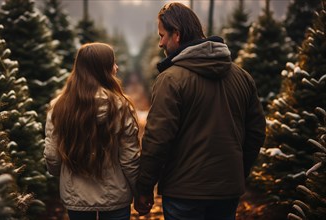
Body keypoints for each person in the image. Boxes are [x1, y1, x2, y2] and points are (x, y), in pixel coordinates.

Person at [134, 2, 266, 220]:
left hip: (184, 193)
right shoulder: (242, 76)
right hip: (227, 191)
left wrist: (144, 186)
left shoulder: (170, 79)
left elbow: (157, 139)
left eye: (162, 35)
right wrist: (237, 173)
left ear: (176, 34)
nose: (160, 43)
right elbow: (256, 132)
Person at [44, 42, 140, 220]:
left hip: (76, 197)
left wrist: (64, 174)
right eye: (113, 63)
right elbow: (130, 158)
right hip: (115, 196)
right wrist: (140, 192)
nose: (117, 67)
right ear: (101, 69)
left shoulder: (59, 106)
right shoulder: (121, 106)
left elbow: (52, 155)